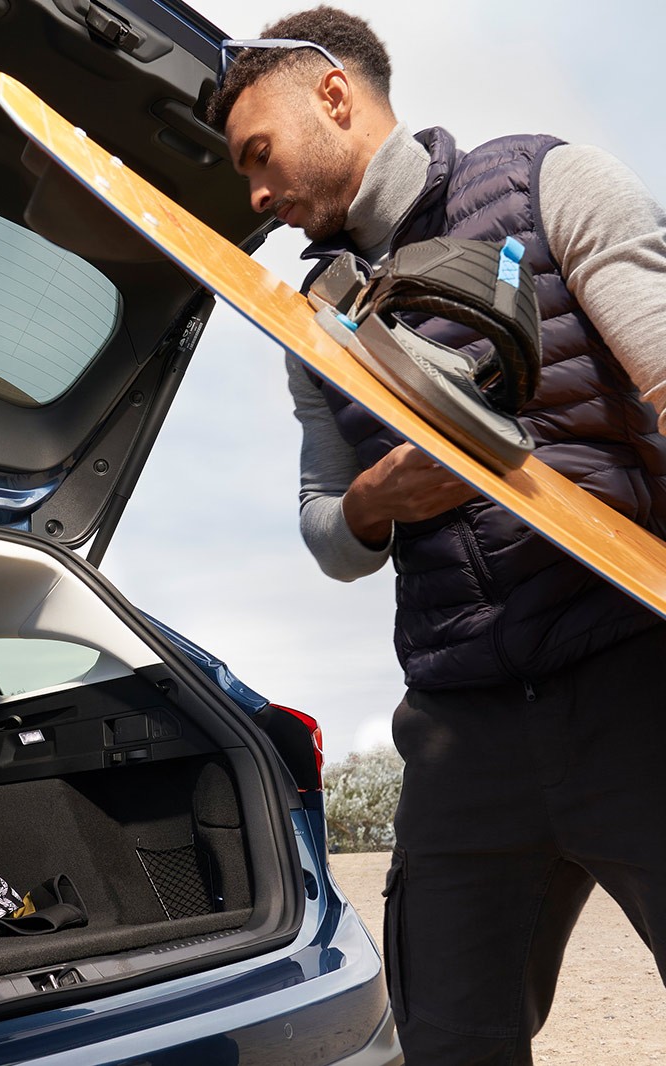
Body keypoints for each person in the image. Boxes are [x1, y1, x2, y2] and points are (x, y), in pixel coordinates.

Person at [206, 7, 666, 1065]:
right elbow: (331, 533)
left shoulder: (553, 183)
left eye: (258, 156)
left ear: (333, 95)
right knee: (449, 1039)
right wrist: (381, 498)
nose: (258, 195)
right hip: (464, 730)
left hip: (637, 678)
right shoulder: (309, 324)